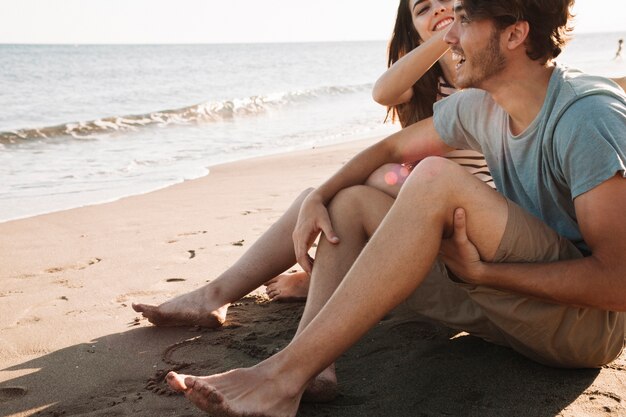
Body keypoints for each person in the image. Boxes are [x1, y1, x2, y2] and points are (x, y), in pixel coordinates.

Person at [163, 0, 626, 415]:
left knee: (433, 177)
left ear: (513, 34)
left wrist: (487, 276)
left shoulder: (588, 117)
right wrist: (317, 198)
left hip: (584, 332)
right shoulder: (479, 106)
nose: (448, 34)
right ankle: (306, 369)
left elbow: (618, 286)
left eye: (463, 19)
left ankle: (279, 376)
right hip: (511, 313)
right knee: (350, 202)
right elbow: (388, 150)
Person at [132, 0, 491, 324]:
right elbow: (382, 92)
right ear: (412, 32)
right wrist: (441, 39)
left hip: (464, 223)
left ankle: (298, 282)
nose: (438, 11)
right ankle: (216, 295)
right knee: (318, 198)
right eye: (423, 9)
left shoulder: (483, 71)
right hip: (420, 217)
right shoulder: (423, 82)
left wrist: (451, 33)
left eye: (446, 1)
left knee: (378, 179)